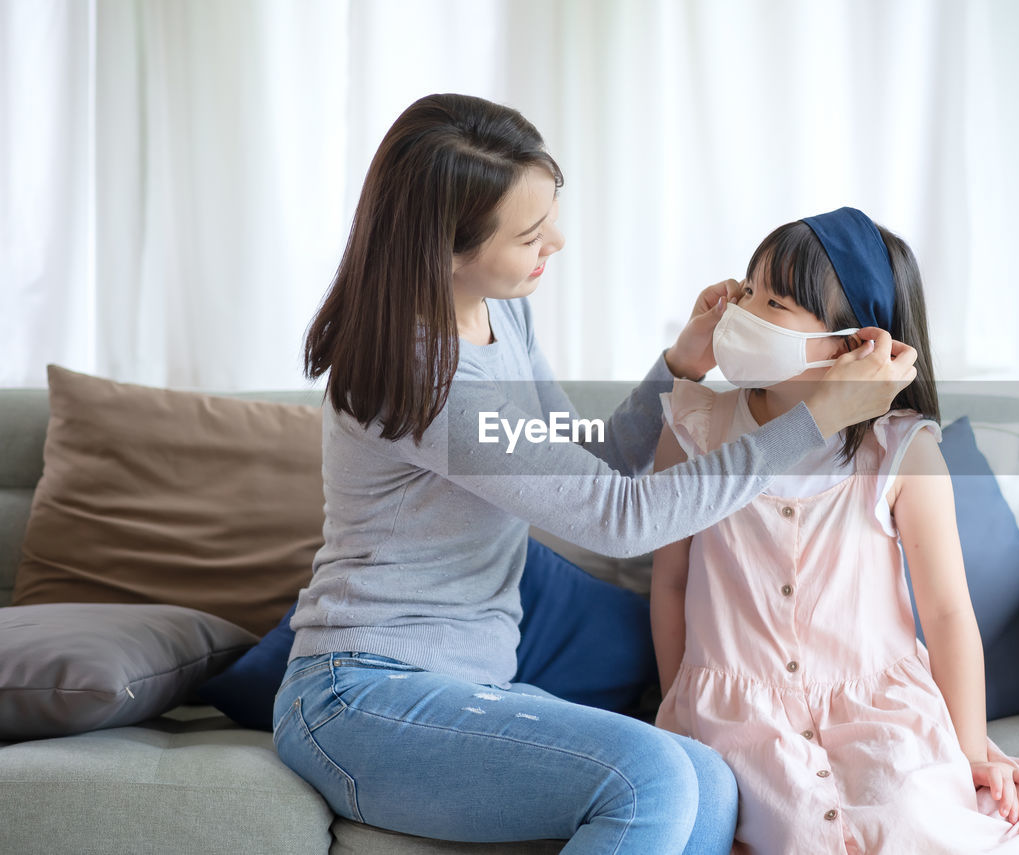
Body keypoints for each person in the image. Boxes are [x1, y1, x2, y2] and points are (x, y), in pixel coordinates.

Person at [272, 94, 918, 854]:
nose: (558, 240)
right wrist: (813, 420)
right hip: (360, 696)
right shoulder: (422, 382)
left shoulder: (497, 310)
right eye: (529, 234)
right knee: (654, 777)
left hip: (463, 683)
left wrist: (679, 367)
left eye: (550, 215)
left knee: (709, 779)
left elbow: (593, 462)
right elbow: (620, 519)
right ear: (444, 249)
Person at [650, 208, 1019, 855]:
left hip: (879, 712)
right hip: (738, 713)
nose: (745, 312)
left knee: (913, 816)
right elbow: (670, 581)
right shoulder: (692, 429)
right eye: (748, 290)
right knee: (789, 829)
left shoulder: (898, 449)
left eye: (776, 302)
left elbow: (949, 612)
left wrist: (968, 749)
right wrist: (679, 705)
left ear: (854, 344)